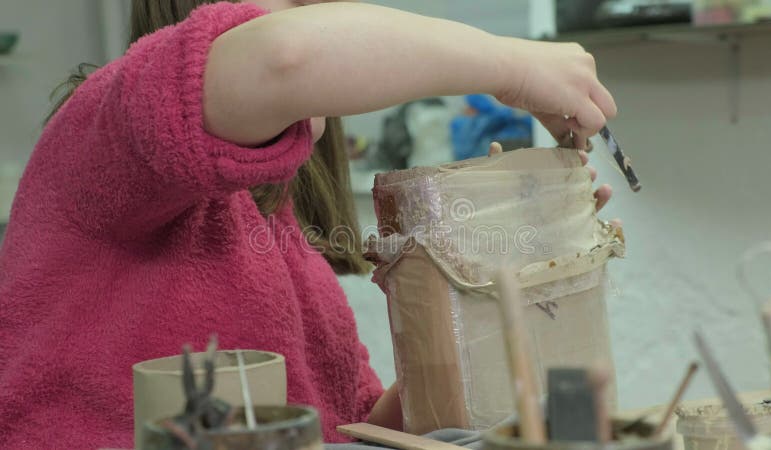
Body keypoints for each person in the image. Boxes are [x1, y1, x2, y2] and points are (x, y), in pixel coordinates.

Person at [0, 0, 616, 448]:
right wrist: (513, 65)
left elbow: (348, 430)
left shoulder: (277, 229)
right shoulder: (103, 130)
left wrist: (495, 276)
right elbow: (285, 57)